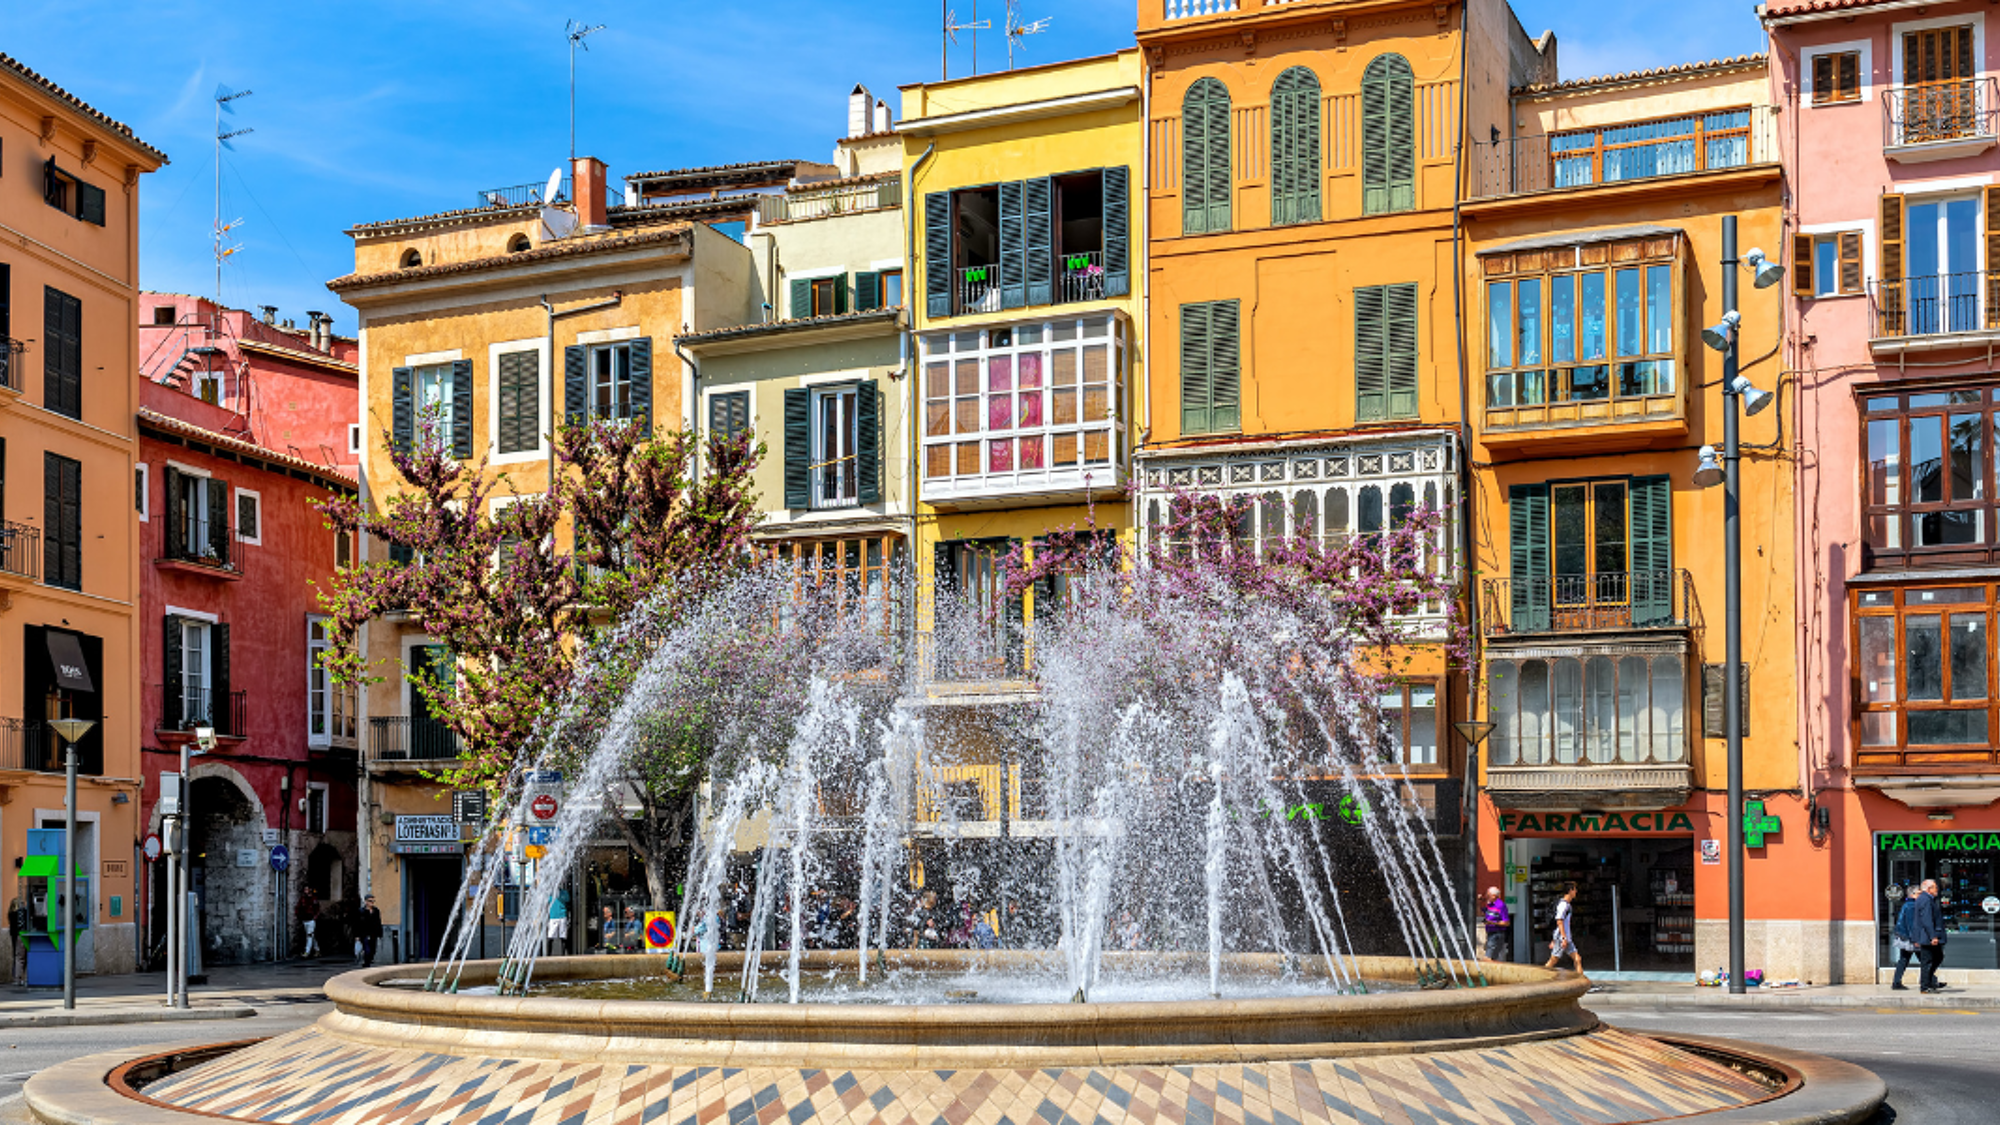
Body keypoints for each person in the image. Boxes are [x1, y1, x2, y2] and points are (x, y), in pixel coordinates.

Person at [1909, 877, 1948, 993]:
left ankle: (1929, 981)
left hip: (1926, 935)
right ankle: (1925, 986)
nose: (1937, 889)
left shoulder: (1925, 899)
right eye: (1935, 887)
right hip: (1927, 936)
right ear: (1929, 888)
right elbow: (1926, 920)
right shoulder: (1925, 899)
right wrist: (1933, 936)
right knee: (1928, 961)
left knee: (1937, 957)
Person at [1543, 882, 1582, 973]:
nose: (1576, 891)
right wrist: (1563, 938)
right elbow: (1559, 921)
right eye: (1574, 889)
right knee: (1553, 960)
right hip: (1562, 938)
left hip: (1566, 938)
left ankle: (1582, 980)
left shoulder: (1567, 905)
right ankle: (1540, 976)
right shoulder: (1563, 905)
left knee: (1577, 959)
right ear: (1570, 891)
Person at [1888, 887, 1920, 991]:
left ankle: (1896, 982)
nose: (1921, 896)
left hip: (1905, 937)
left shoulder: (1908, 905)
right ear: (1913, 894)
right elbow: (1912, 924)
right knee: (1924, 960)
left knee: (1904, 959)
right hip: (1909, 938)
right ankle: (1932, 980)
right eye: (1919, 893)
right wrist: (1915, 939)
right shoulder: (1912, 906)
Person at [1481, 887, 1512, 963]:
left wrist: (1492, 923)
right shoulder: (1489, 904)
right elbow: (1482, 911)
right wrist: (1480, 901)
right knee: (1493, 957)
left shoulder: (1500, 905)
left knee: (1488, 957)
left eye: (1488, 895)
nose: (1486, 896)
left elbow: (1507, 923)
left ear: (1494, 896)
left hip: (1497, 933)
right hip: (1490, 932)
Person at [355, 894, 384, 967]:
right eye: (370, 901)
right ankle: (366, 963)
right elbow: (357, 924)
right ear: (366, 902)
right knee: (367, 949)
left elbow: (378, 922)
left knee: (373, 949)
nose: (372, 902)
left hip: (373, 933)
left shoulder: (376, 911)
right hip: (364, 933)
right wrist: (357, 935)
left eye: (373, 901)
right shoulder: (361, 911)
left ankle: (368, 960)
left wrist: (380, 933)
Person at [7, 889, 29, 981]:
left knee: (17, 956)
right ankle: (22, 976)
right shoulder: (21, 913)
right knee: (22, 957)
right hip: (21, 935)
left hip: (14, 936)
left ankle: (16, 976)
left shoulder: (10, 914)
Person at [296, 886, 321, 960]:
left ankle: (307, 952)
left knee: (309, 935)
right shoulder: (302, 899)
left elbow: (317, 908)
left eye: (307, 889)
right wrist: (298, 915)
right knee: (311, 935)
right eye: (305, 889)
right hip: (304, 919)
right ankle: (317, 950)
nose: (305, 891)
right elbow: (298, 907)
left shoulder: (313, 899)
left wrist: (315, 916)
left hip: (311, 919)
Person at [546, 887, 570, 957]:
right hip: (553, 916)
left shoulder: (564, 893)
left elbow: (567, 900)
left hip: (562, 915)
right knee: (550, 936)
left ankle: (563, 954)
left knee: (563, 937)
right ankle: (548, 955)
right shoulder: (550, 893)